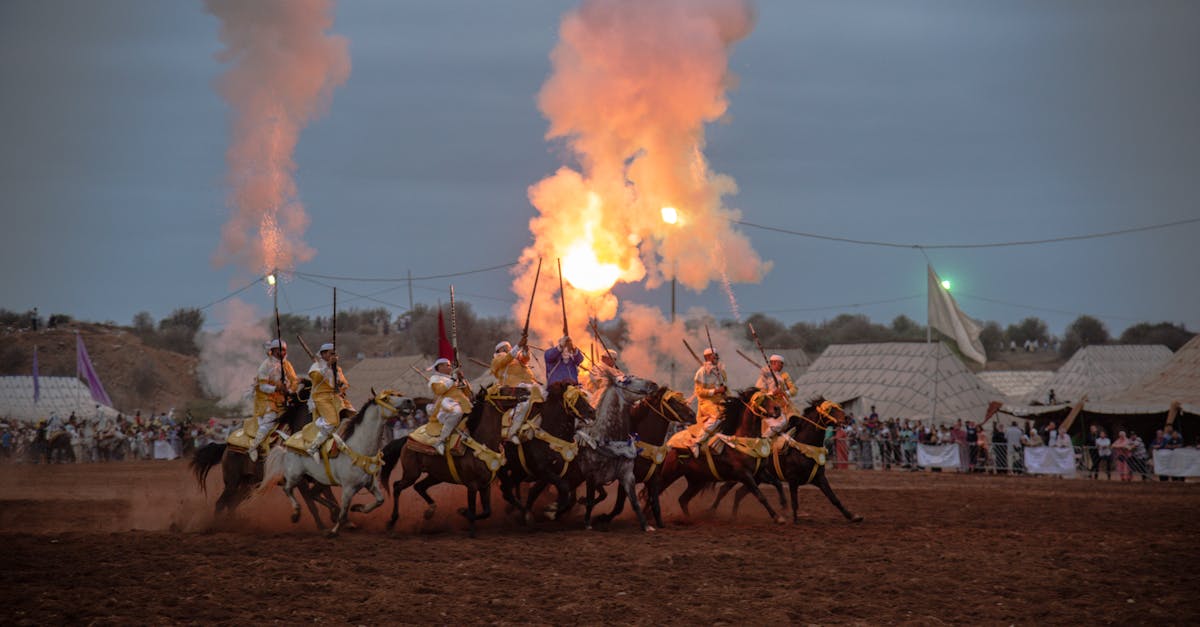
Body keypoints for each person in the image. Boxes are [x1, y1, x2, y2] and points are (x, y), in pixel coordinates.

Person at [246, 339, 299, 461]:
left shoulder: (287, 365)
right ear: (272, 351)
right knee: (270, 420)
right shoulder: (265, 365)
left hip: (282, 399)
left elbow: (294, 381)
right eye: (279, 350)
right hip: (266, 399)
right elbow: (262, 386)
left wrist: (289, 390)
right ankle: (254, 446)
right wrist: (277, 388)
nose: (282, 352)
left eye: (284, 350)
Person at [305, 343, 353, 461]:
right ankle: (313, 446)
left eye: (334, 353)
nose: (333, 355)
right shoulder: (316, 366)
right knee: (332, 421)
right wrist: (328, 366)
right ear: (323, 354)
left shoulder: (337, 369)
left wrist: (341, 385)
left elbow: (345, 384)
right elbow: (316, 378)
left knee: (352, 416)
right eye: (330, 353)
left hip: (336, 398)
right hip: (321, 398)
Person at [489, 340, 543, 444]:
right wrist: (518, 346)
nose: (508, 348)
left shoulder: (515, 359)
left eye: (509, 347)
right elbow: (506, 359)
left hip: (529, 384)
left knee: (545, 395)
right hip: (513, 386)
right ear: (499, 350)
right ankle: (512, 431)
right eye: (505, 347)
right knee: (525, 404)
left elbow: (525, 359)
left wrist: (526, 351)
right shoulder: (498, 359)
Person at [427, 357, 474, 454]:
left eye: (450, 365)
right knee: (456, 413)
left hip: (463, 403)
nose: (450, 367)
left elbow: (469, 392)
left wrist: (462, 379)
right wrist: (453, 379)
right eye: (447, 365)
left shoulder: (455, 378)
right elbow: (439, 390)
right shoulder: (435, 378)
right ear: (439, 367)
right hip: (446, 404)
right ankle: (441, 441)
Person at [689, 348, 728, 455]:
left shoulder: (721, 371)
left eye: (717, 355)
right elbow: (699, 392)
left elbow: (725, 388)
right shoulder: (701, 372)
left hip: (721, 402)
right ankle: (696, 441)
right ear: (707, 357)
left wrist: (725, 393)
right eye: (714, 356)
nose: (716, 358)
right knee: (718, 416)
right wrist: (716, 391)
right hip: (706, 403)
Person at [755, 355, 797, 436]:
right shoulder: (764, 376)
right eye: (780, 364)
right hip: (770, 407)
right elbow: (759, 394)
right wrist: (773, 393)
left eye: (782, 364)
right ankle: (766, 438)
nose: (782, 366)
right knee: (781, 423)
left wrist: (785, 392)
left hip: (785, 406)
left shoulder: (784, 375)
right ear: (773, 363)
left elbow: (794, 389)